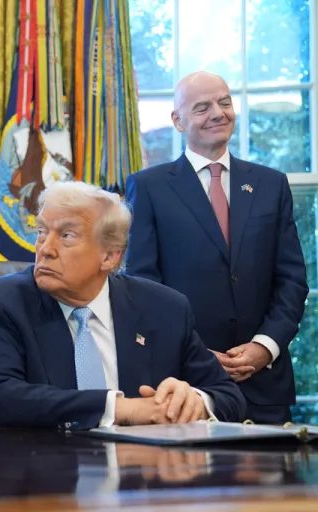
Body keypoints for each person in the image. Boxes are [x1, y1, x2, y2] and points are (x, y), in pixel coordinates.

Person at [0, 181, 246, 429]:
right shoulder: (5, 302)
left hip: (146, 476)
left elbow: (228, 396)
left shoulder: (165, 308)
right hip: (47, 474)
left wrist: (195, 401)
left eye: (66, 236)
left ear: (110, 257)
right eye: (42, 231)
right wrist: (121, 409)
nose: (45, 249)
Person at [124, 71, 308, 424]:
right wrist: (194, 351)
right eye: (202, 107)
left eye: (224, 102)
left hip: (264, 384)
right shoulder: (148, 187)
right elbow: (142, 287)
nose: (218, 113)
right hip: (182, 384)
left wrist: (264, 347)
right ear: (178, 120)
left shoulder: (271, 184)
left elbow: (292, 280)